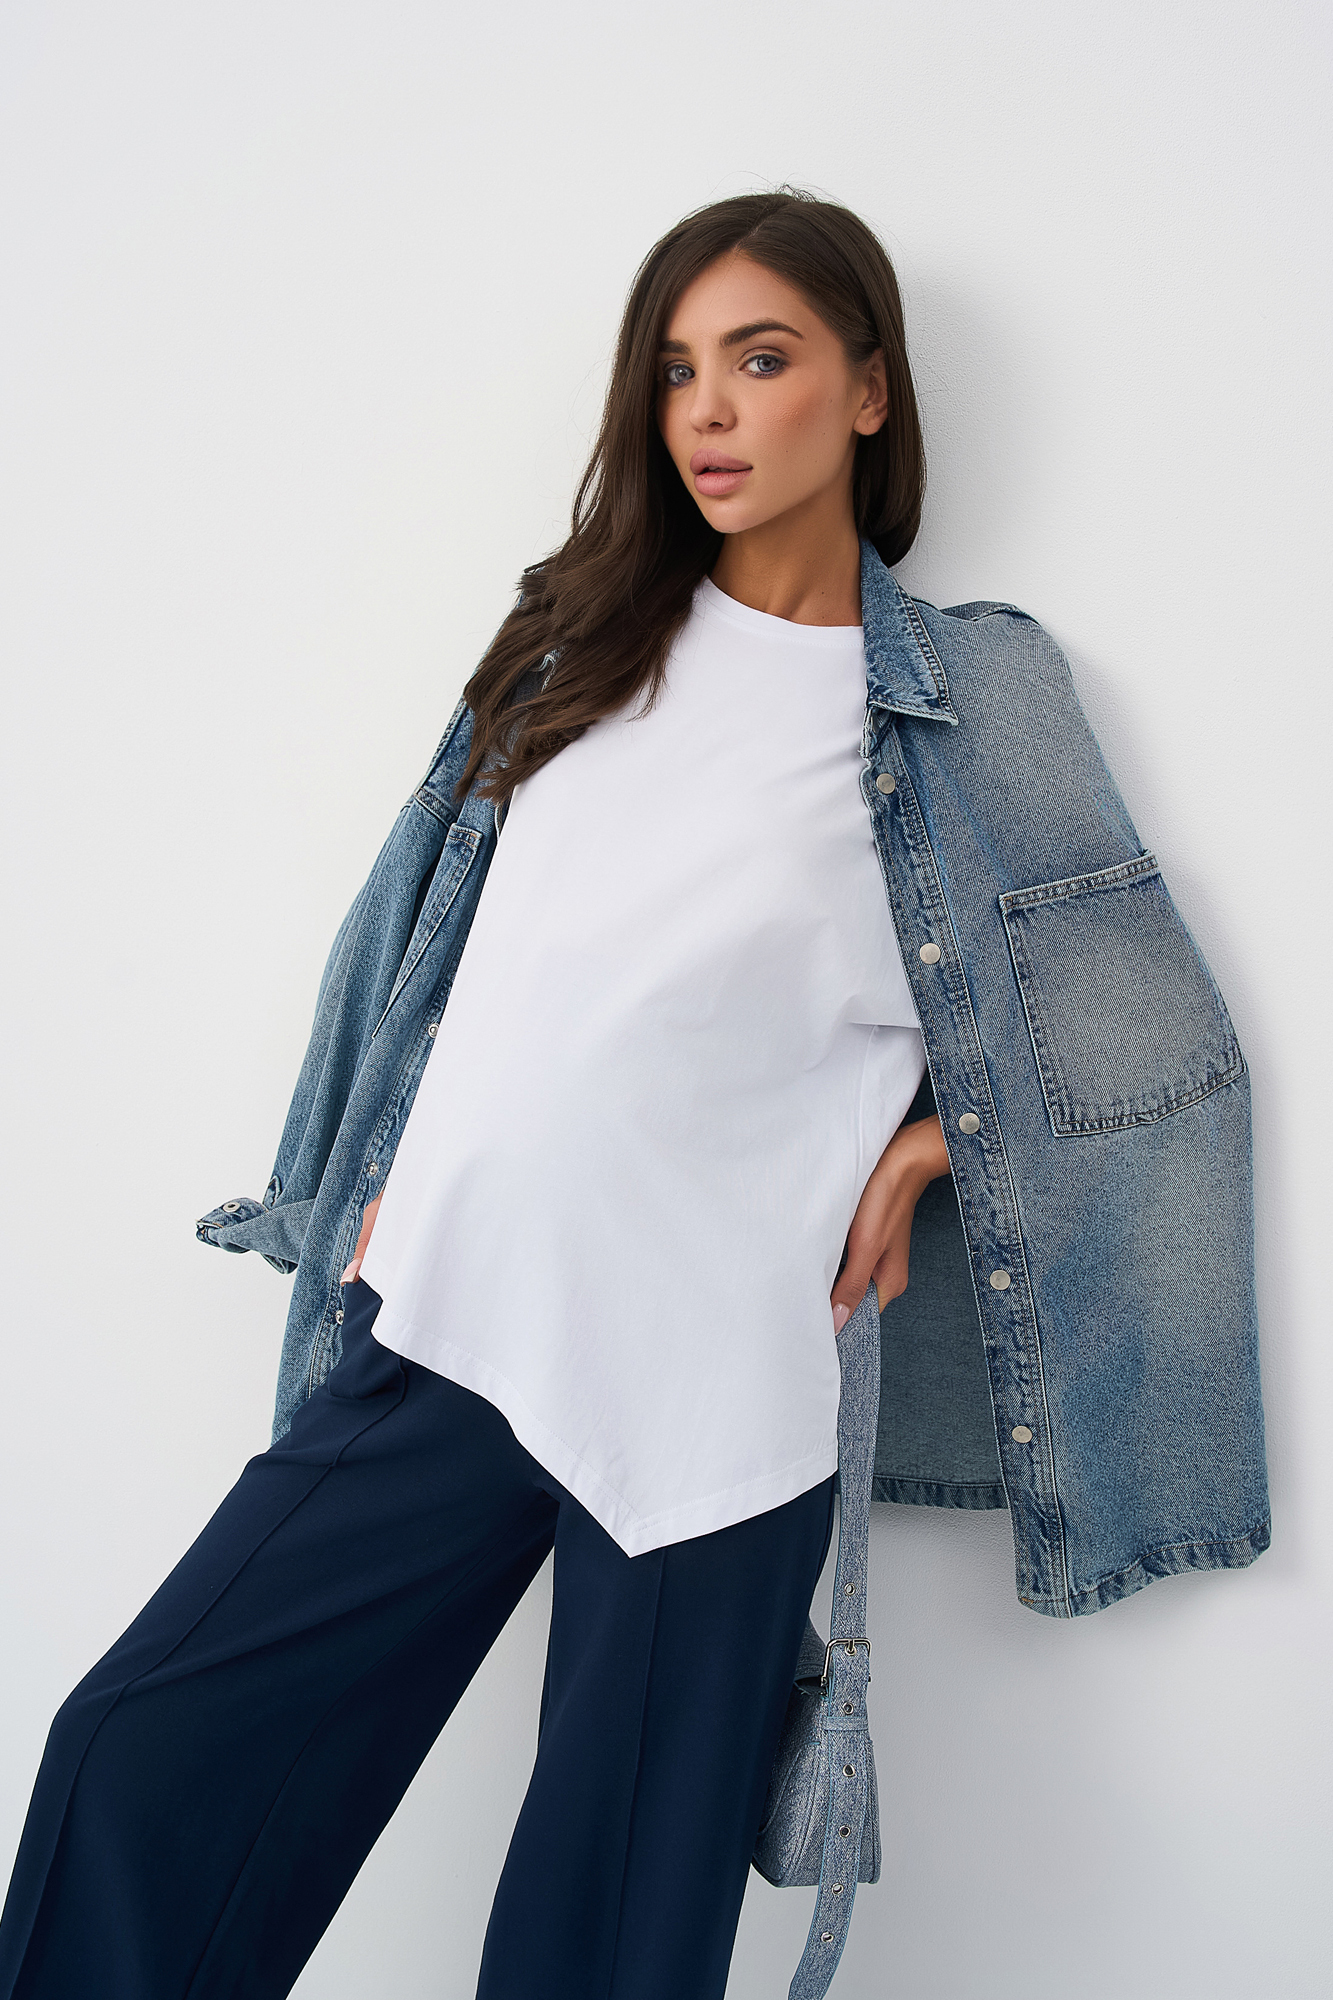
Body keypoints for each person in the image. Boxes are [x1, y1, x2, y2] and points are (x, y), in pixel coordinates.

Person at [0, 189, 1268, 2000]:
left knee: (600, 1949)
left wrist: (934, 1155)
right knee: (140, 1756)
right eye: (676, 371)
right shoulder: (579, 636)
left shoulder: (971, 694)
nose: (709, 411)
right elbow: (426, 946)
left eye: (761, 359)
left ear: (868, 391)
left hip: (720, 1392)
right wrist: (389, 1158)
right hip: (458, 1313)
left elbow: (1140, 1042)